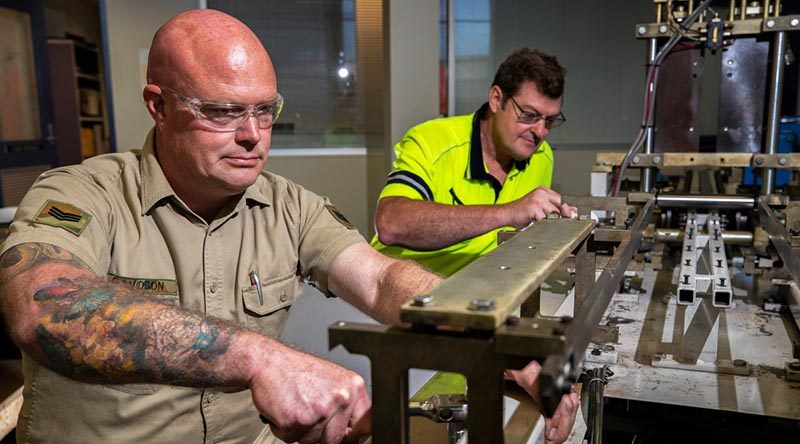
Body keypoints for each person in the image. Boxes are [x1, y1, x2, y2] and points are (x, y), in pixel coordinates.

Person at [0, 10, 576, 444]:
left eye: (265, 110)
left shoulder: (289, 206)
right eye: (224, 112)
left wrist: (503, 349)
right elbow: (40, 304)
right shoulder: (82, 191)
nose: (254, 135)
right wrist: (258, 357)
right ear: (159, 106)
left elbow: (381, 281)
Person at [372, 48, 578, 277]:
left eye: (549, 120)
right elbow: (390, 223)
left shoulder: (541, 156)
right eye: (529, 115)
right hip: (397, 290)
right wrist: (507, 213)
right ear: (496, 99)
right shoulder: (432, 141)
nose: (540, 132)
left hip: (476, 294)